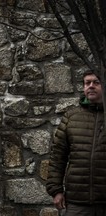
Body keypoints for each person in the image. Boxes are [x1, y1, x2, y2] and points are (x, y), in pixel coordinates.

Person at [46, 69, 106, 216]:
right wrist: (56, 190)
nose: (91, 86)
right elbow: (57, 157)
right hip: (77, 202)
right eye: (87, 83)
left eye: (96, 82)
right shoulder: (71, 117)